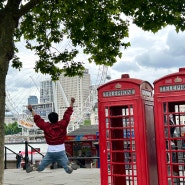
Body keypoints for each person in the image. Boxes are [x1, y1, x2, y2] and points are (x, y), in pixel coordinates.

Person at [26, 97, 77, 174]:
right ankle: (70, 165)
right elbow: (67, 114)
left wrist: (31, 110)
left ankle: (35, 166)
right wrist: (72, 102)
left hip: (50, 152)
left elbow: (37, 119)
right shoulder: (63, 124)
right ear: (57, 118)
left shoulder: (46, 126)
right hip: (61, 151)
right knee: (68, 171)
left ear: (49, 119)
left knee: (40, 169)